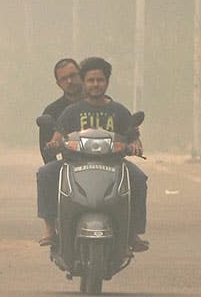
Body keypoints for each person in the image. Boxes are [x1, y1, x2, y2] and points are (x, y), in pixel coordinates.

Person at [38, 57, 149, 252]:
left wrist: (135, 146)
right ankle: (49, 230)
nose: (95, 85)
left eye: (100, 80)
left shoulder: (119, 110)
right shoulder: (71, 112)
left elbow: (133, 137)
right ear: (85, 82)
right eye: (91, 81)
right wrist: (55, 144)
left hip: (114, 165)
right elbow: (57, 136)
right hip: (74, 165)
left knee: (139, 178)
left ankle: (132, 233)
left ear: (107, 82)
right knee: (46, 173)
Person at [39, 58, 85, 165]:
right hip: (70, 166)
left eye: (72, 76)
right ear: (58, 83)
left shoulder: (102, 103)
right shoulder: (52, 111)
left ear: (81, 75)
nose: (69, 81)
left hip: (107, 163)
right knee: (44, 173)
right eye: (64, 79)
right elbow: (47, 154)